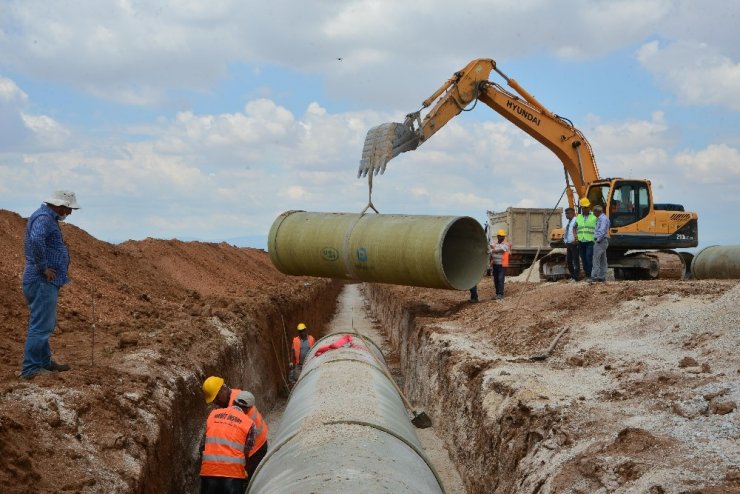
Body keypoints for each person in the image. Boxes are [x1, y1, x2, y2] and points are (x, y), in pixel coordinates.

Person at [19, 190, 80, 379]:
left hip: (40, 281)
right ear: (60, 206)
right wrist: (43, 267)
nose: (69, 213)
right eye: (68, 209)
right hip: (42, 281)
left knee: (43, 323)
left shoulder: (44, 217)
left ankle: (44, 362)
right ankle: (31, 369)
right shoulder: (45, 218)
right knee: (41, 326)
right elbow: (37, 239)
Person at [201, 378, 269, 479]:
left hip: (256, 447)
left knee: (246, 480)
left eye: (216, 398)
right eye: (213, 400)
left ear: (222, 390)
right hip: (254, 442)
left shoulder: (238, 404)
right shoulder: (233, 396)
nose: (215, 402)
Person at [200, 391, 256, 494]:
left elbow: (204, 444)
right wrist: (244, 470)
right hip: (233, 475)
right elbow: (246, 452)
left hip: (209, 471)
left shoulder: (213, 414)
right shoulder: (249, 424)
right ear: (249, 408)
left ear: (234, 402)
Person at [575, 198, 596, 281]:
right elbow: (574, 227)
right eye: (584, 207)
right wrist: (575, 236)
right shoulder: (578, 217)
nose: (586, 209)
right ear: (582, 208)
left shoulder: (594, 217)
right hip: (581, 241)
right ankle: (587, 275)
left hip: (590, 241)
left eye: (587, 207)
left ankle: (591, 275)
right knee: (583, 258)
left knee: (588, 257)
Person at [591, 205, 611, 282]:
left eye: (594, 211)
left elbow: (602, 231)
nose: (593, 213)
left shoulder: (602, 219)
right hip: (603, 241)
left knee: (596, 259)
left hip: (601, 241)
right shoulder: (603, 218)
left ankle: (594, 276)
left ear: (597, 211)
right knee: (603, 260)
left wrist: (598, 240)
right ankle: (601, 276)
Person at [490, 229, 511, 300]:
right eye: (500, 236)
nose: (502, 237)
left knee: (500, 279)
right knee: (496, 280)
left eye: (503, 236)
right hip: (495, 264)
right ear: (497, 236)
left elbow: (501, 250)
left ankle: (500, 294)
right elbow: (490, 246)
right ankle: (497, 294)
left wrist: (492, 250)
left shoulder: (506, 244)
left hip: (502, 265)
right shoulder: (495, 244)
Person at [563, 207, 580, 282]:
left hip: (574, 244)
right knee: (569, 261)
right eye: (565, 213)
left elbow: (579, 231)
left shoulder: (576, 220)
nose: (566, 215)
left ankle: (576, 277)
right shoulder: (569, 222)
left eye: (568, 213)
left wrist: (576, 240)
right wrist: (565, 241)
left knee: (575, 261)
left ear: (573, 213)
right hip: (569, 244)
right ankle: (572, 276)